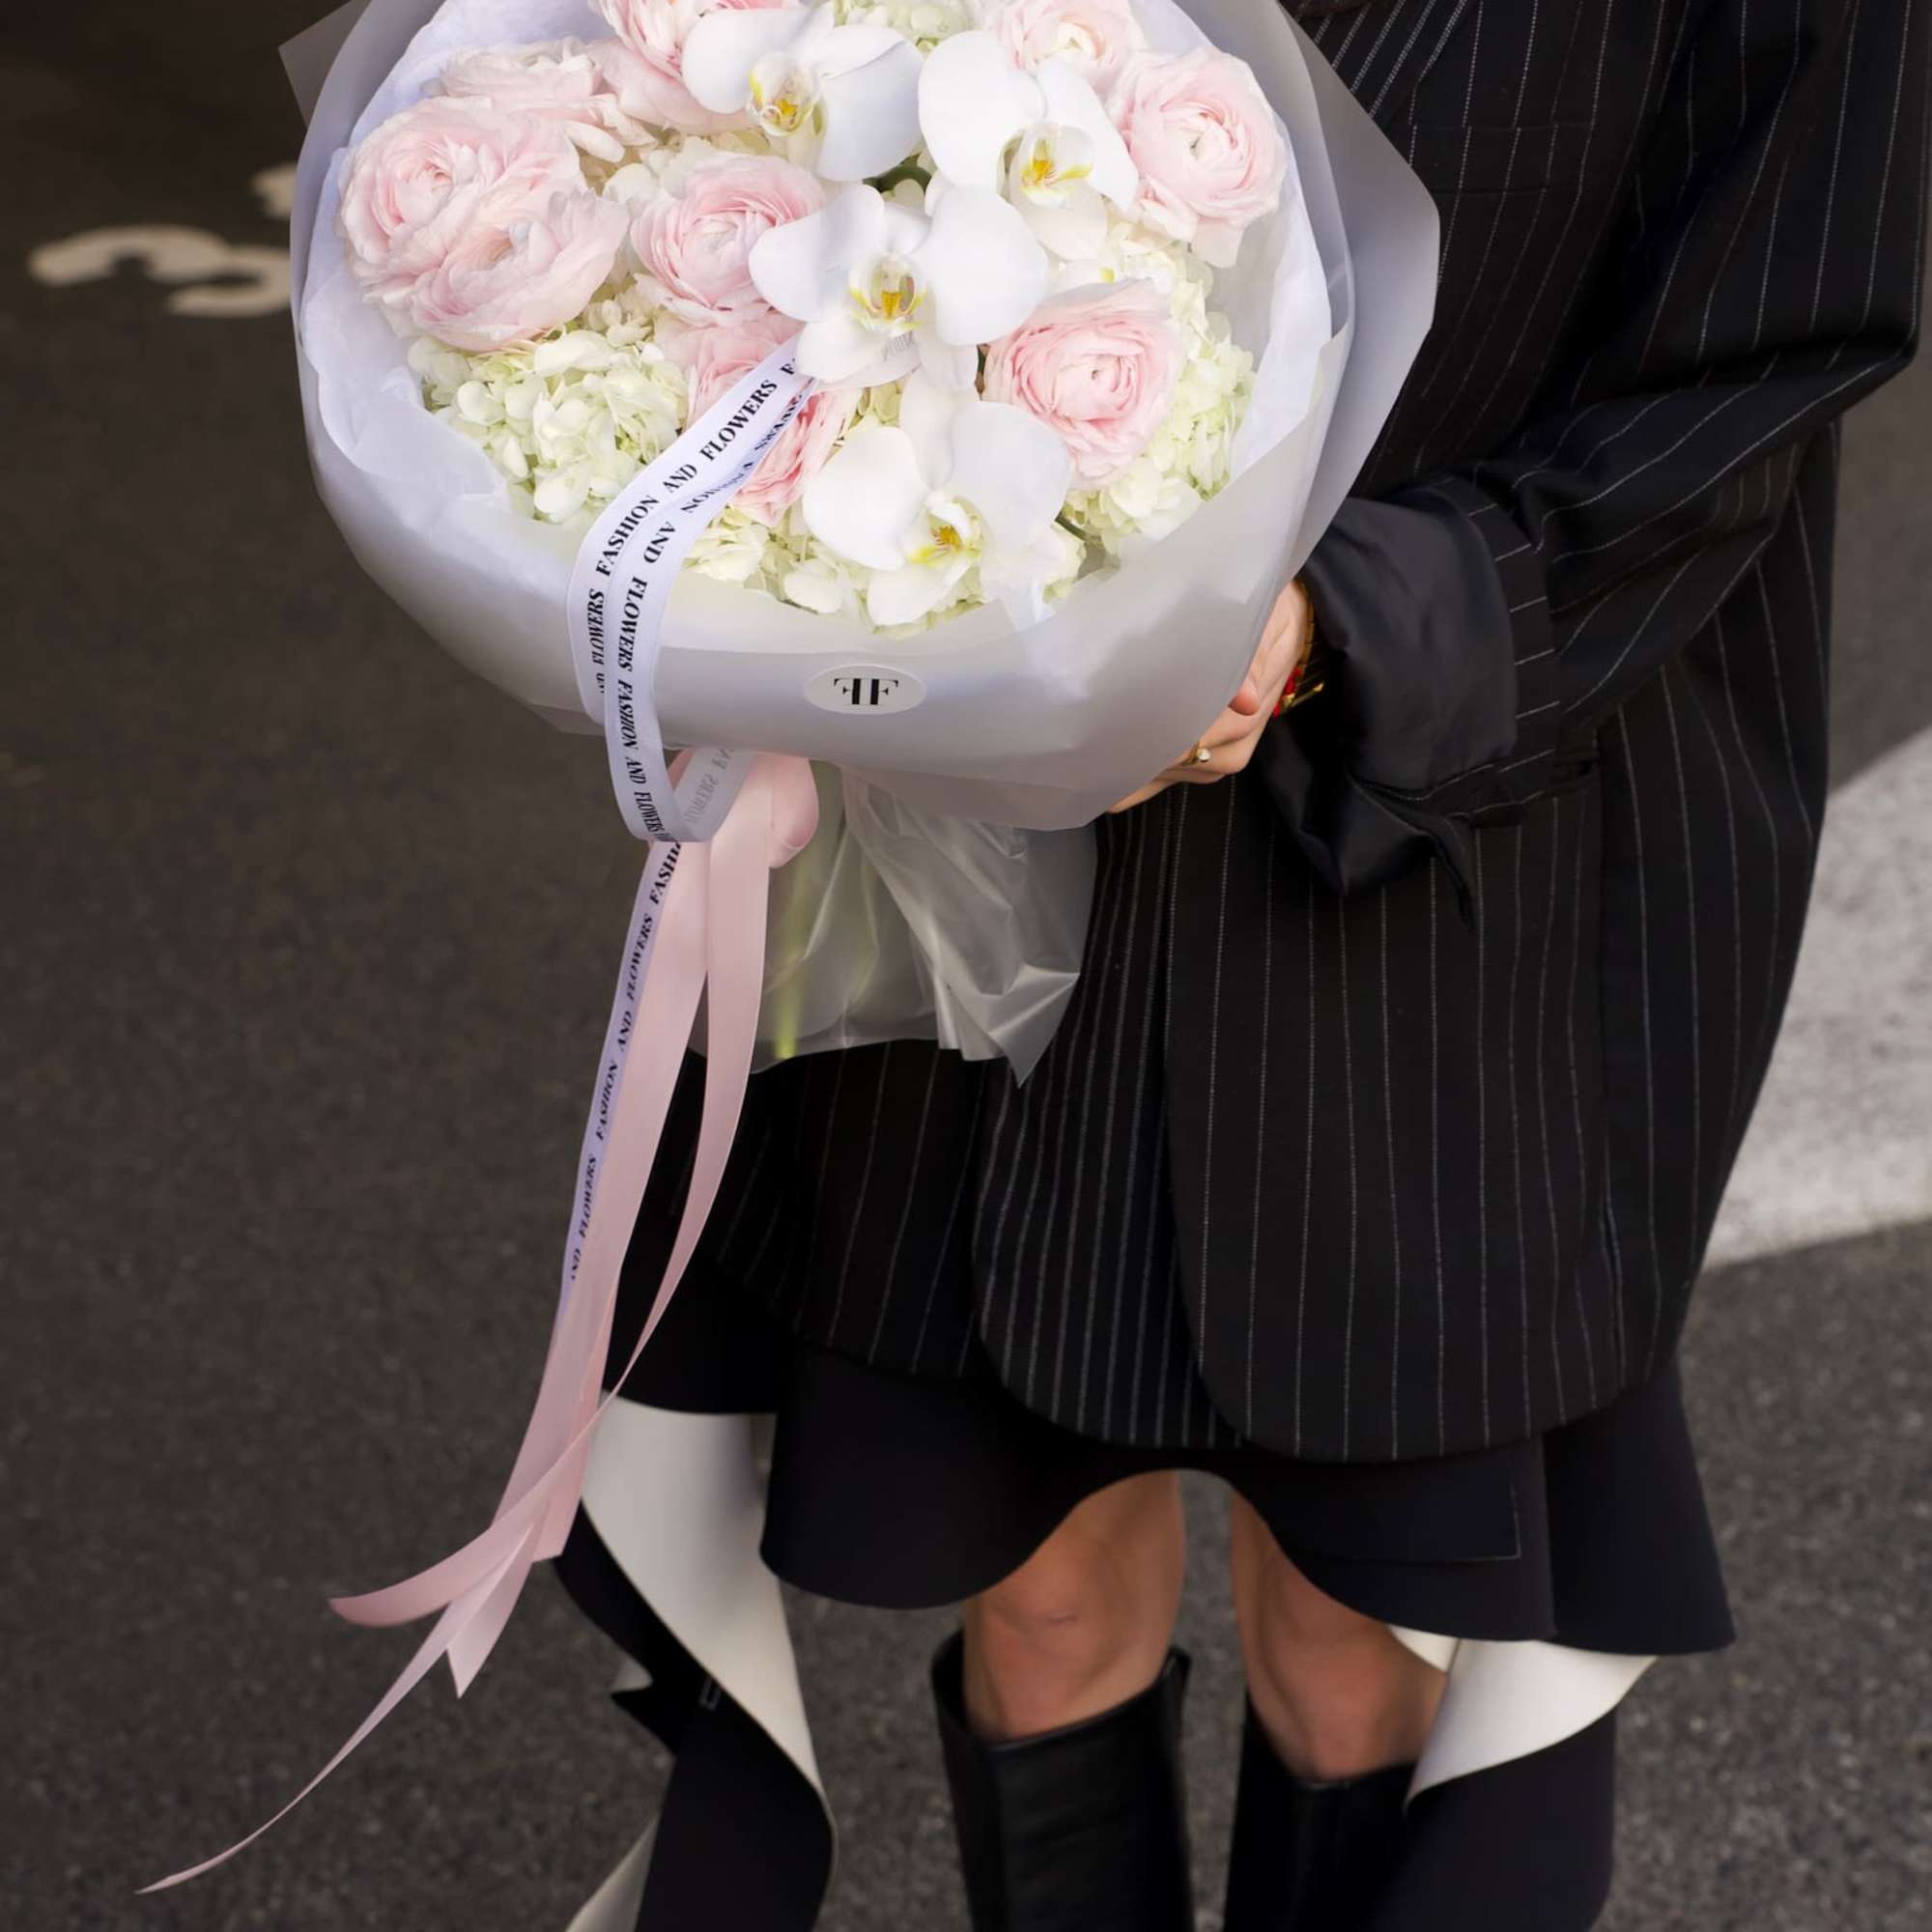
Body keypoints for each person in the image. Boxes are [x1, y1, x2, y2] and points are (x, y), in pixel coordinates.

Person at [555, 1, 1931, 1926]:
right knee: (1028, 1592)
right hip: (979, 800)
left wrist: (1341, 628)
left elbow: (1767, 341)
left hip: (1453, 836)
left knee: (1365, 1640)